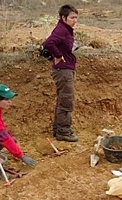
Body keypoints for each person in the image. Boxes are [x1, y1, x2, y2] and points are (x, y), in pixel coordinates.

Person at [43, 4, 79, 142]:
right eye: (72, 17)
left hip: (64, 69)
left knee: (63, 100)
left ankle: (58, 129)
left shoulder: (65, 29)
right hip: (63, 70)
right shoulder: (62, 30)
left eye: (76, 17)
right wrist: (58, 55)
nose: (74, 20)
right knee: (66, 100)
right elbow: (48, 43)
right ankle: (64, 131)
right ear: (64, 17)